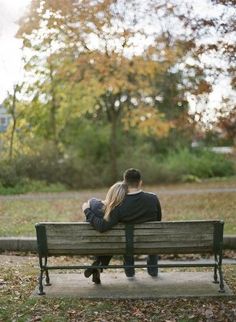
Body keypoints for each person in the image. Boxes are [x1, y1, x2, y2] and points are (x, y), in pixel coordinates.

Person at [82, 168, 162, 281]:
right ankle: (153, 270)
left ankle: (130, 272)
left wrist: (87, 210)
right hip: (150, 242)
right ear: (140, 183)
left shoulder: (119, 204)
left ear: (124, 183)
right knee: (152, 236)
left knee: (127, 240)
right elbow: (158, 221)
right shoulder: (153, 199)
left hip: (128, 245)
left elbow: (102, 226)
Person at [82, 181, 128, 284]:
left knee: (104, 239)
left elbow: (100, 226)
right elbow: (102, 226)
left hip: (89, 243)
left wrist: (86, 210)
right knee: (110, 242)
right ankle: (99, 264)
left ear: (110, 192)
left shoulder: (93, 203)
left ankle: (97, 264)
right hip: (110, 246)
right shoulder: (119, 212)